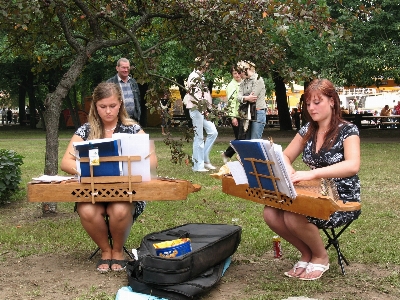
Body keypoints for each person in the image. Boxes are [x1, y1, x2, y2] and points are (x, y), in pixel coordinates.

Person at [263, 78, 361, 280]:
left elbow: (353, 165)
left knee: (292, 214)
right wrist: (288, 169)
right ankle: (306, 253)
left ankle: (321, 256)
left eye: (317, 102)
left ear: (332, 101)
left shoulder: (348, 130)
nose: (311, 108)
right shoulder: (308, 129)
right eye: (308, 104)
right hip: (312, 191)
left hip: (341, 196)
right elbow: (286, 156)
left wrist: (313, 173)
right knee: (270, 212)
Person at [61, 82, 152, 272]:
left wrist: (129, 167)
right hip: (93, 190)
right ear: (95, 106)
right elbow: (65, 162)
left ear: (120, 104)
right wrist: (85, 169)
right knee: (86, 210)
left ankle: (117, 251)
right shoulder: (85, 131)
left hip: (126, 191)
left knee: (119, 209)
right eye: (103, 107)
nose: (108, 111)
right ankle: (105, 250)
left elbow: (152, 160)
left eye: (112, 106)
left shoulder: (132, 129)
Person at [183, 58, 218, 172]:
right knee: (198, 137)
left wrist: (209, 108)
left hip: (202, 109)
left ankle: (204, 159)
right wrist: (204, 109)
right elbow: (194, 96)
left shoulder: (201, 76)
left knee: (213, 131)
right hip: (197, 109)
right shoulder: (193, 76)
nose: (207, 66)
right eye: (205, 64)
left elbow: (204, 94)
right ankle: (198, 166)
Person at [236, 60, 266, 139]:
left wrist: (244, 98)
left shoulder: (258, 79)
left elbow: (253, 97)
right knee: (246, 139)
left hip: (258, 112)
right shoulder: (243, 82)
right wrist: (247, 98)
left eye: (240, 72)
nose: (239, 75)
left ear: (245, 70)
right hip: (247, 113)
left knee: (254, 140)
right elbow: (238, 97)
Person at [107, 58, 141, 123]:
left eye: (127, 68)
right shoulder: (110, 83)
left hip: (133, 119)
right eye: (123, 68)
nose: (126, 70)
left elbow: (138, 100)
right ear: (117, 68)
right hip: (118, 119)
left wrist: (138, 114)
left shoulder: (133, 82)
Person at [221, 65, 242, 163]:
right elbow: (231, 102)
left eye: (238, 72)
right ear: (232, 74)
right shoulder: (231, 86)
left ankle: (229, 154)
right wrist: (233, 117)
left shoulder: (243, 83)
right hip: (236, 115)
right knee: (240, 138)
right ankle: (227, 154)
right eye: (235, 73)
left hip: (243, 115)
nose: (237, 75)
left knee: (242, 138)